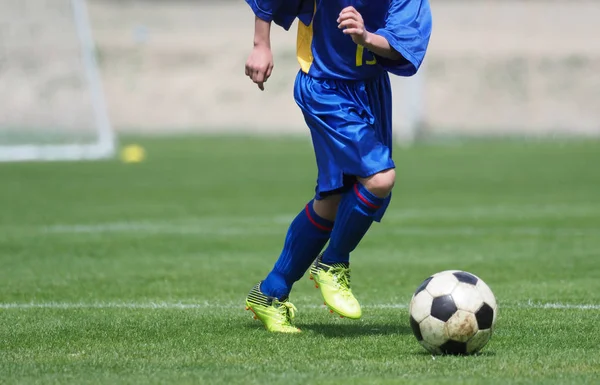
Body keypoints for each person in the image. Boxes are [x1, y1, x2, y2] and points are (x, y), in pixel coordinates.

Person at [243, 0, 432, 333]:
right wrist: (261, 45)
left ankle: (269, 294)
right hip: (324, 86)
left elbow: (407, 41)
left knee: (333, 200)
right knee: (379, 178)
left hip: (370, 90)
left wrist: (366, 37)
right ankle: (332, 263)